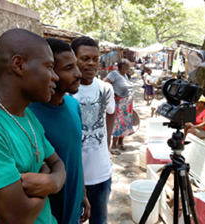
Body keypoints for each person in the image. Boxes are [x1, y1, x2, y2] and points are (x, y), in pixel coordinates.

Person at [0, 28, 66, 223]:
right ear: (18, 65)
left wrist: (52, 181)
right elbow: (17, 217)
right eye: (49, 67)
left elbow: (57, 163)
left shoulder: (27, 115)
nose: (55, 77)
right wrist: (47, 173)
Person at [29, 38, 90, 224]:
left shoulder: (73, 105)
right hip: (49, 216)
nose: (78, 74)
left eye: (76, 66)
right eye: (68, 68)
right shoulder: (29, 116)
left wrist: (83, 194)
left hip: (74, 211)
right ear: (50, 72)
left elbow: (75, 155)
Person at [71, 36, 116, 224]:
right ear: (73, 59)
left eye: (95, 59)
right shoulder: (66, 92)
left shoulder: (106, 88)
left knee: (100, 221)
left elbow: (111, 113)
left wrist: (106, 143)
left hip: (101, 175)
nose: (91, 63)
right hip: (73, 178)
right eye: (84, 58)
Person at [104, 59, 134, 152]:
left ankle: (120, 143)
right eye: (126, 67)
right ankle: (113, 145)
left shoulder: (125, 75)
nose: (127, 69)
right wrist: (113, 94)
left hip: (127, 104)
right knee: (117, 124)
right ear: (120, 67)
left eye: (128, 67)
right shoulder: (114, 74)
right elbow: (104, 83)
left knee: (125, 123)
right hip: (119, 104)